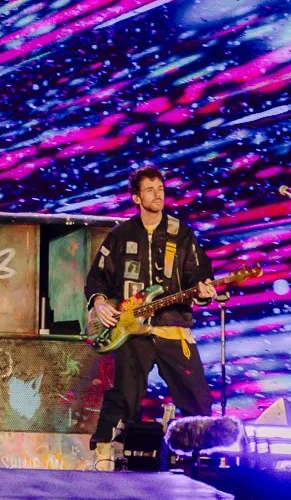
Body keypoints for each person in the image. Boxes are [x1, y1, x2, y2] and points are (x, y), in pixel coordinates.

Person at [86, 166, 216, 466]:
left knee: (196, 396)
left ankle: (203, 457)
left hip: (173, 327)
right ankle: (104, 451)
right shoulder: (120, 235)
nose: (158, 195)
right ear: (135, 197)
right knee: (124, 394)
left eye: (160, 188)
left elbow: (198, 272)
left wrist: (204, 287)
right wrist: (100, 302)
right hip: (133, 330)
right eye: (150, 190)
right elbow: (97, 278)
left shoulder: (180, 233)